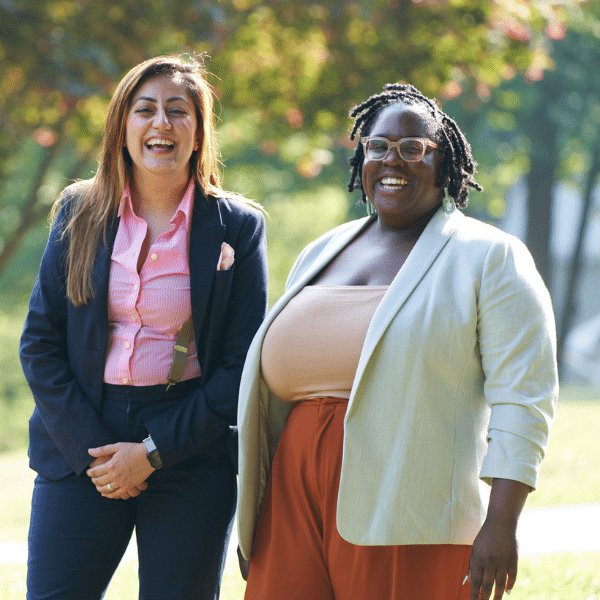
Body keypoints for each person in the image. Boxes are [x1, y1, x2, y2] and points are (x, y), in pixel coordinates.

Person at [236, 83, 557, 600]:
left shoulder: (489, 256)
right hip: (292, 500)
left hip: (409, 508)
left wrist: (502, 523)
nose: (394, 160)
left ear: (444, 162)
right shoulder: (322, 250)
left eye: (413, 148)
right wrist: (258, 508)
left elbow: (524, 396)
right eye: (378, 146)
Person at [20, 55, 268, 600]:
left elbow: (240, 366)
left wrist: (152, 453)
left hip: (189, 444)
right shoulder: (79, 212)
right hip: (83, 444)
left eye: (178, 112)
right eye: (146, 110)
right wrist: (99, 455)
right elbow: (39, 345)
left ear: (200, 133)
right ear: (122, 127)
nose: (162, 124)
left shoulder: (238, 227)